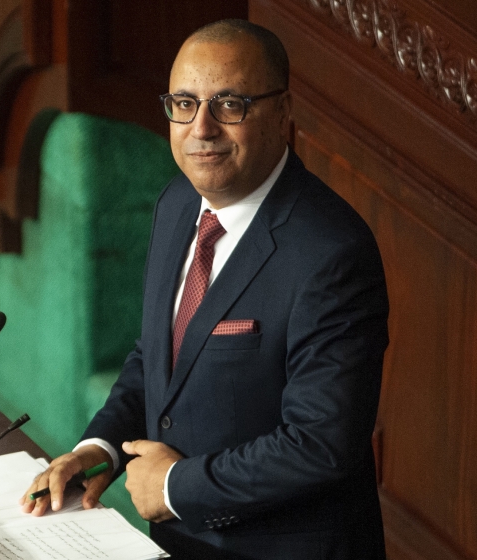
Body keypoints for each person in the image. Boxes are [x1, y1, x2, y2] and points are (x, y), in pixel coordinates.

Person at [21, 19, 389, 560]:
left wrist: (174, 487)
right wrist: (98, 450)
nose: (202, 128)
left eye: (230, 105)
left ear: (283, 112)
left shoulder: (331, 253)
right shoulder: (176, 205)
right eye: (184, 103)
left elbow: (321, 443)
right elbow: (159, 358)